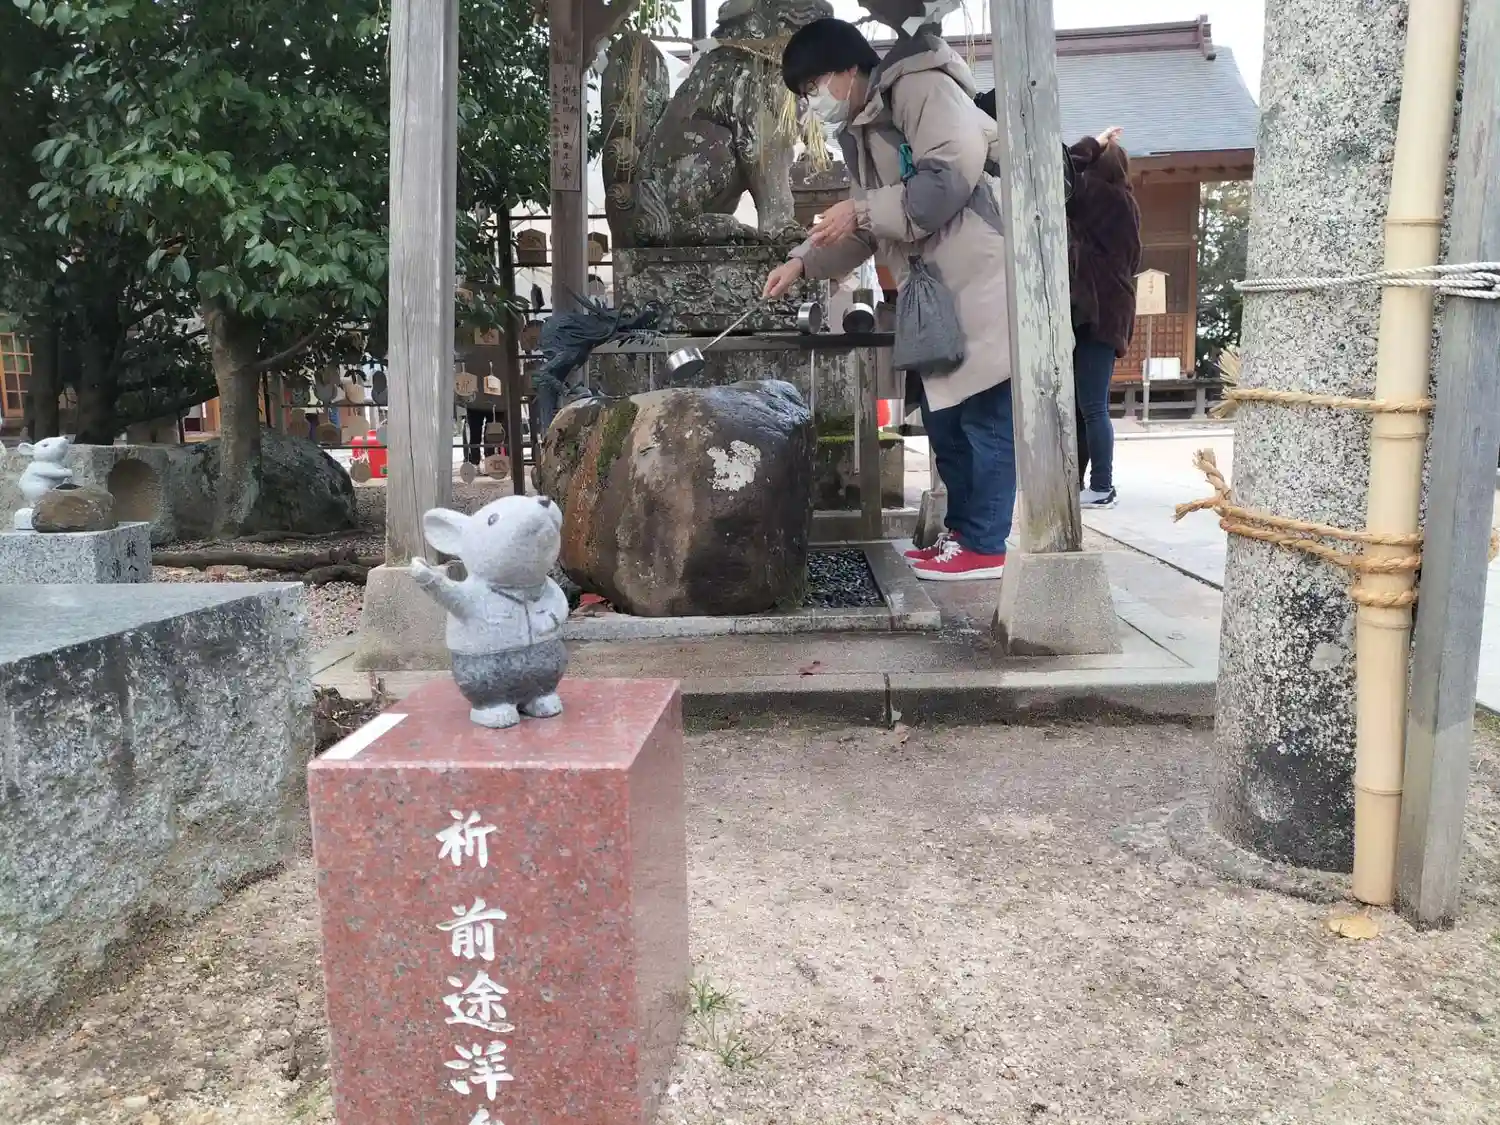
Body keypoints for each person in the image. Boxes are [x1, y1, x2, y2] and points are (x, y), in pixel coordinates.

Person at [766, 19, 1013, 581]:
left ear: (848, 69)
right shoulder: (861, 129)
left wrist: (860, 210)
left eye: (813, 86)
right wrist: (801, 262)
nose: (811, 102)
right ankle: (961, 535)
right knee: (947, 420)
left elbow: (947, 180)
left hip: (983, 272)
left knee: (985, 417)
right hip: (937, 288)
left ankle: (986, 544)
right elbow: (866, 228)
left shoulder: (921, 86)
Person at [1064, 126, 1141, 509]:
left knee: (1091, 407)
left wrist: (1091, 145)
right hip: (1110, 313)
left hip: (1095, 313)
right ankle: (1084, 485)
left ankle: (1101, 486)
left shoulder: (1094, 195)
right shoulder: (1127, 203)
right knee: (1087, 406)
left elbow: (1059, 169)